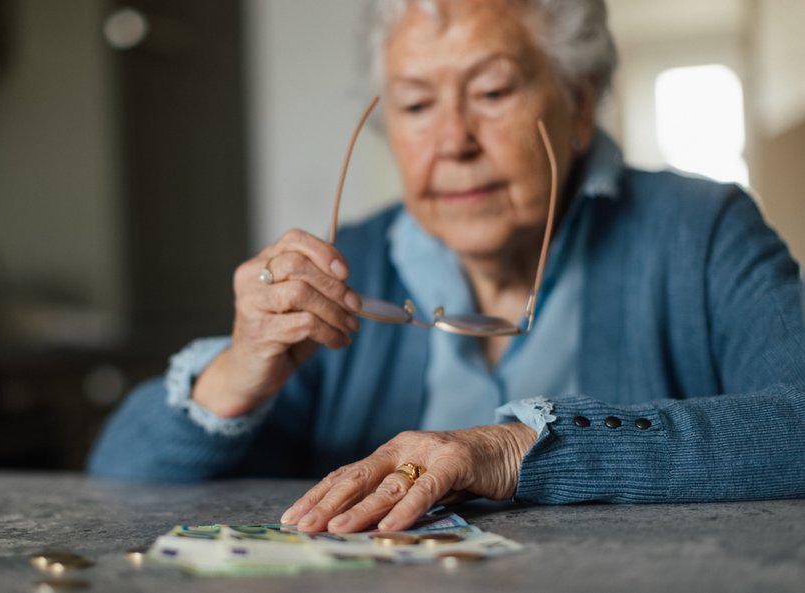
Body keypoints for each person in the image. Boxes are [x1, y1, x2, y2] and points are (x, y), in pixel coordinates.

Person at [88, 0, 805, 534]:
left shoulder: (699, 232)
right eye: (416, 103)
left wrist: (515, 449)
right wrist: (236, 374)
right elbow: (116, 484)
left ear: (578, 105)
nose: (453, 140)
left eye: (492, 92)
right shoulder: (347, 266)